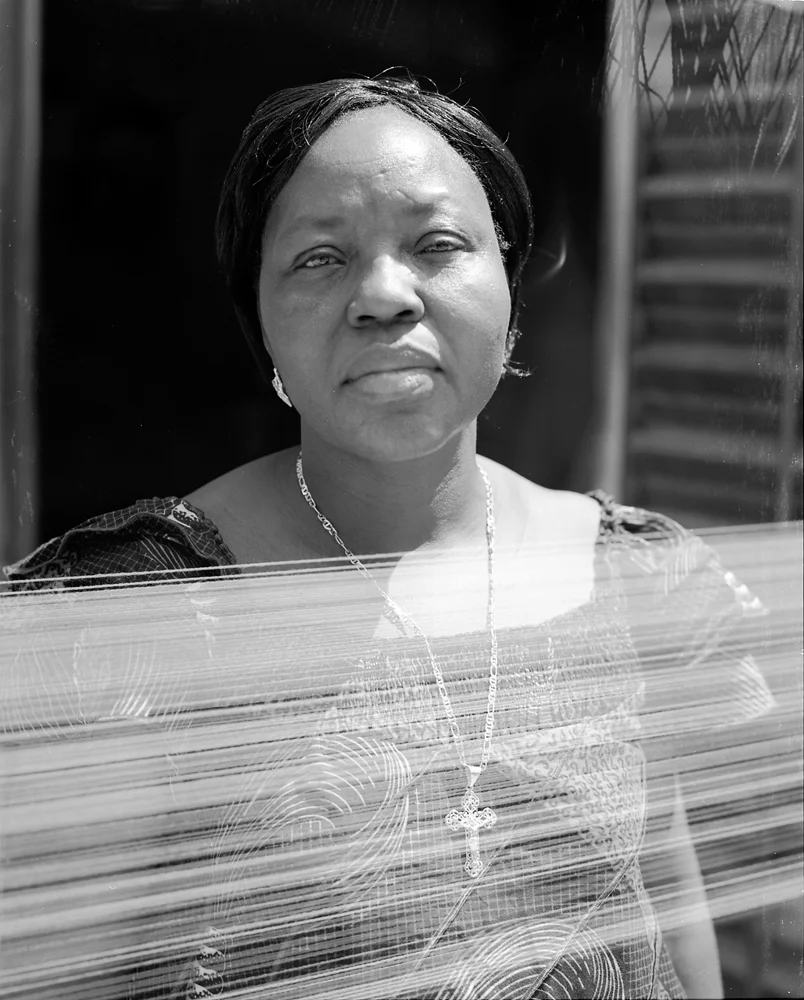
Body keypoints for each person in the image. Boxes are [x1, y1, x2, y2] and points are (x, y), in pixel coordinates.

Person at [6, 75, 771, 1000]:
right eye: (320, 258)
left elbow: (673, 938)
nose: (383, 295)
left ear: (510, 289)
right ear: (262, 323)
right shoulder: (130, 619)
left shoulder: (634, 576)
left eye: (437, 243)